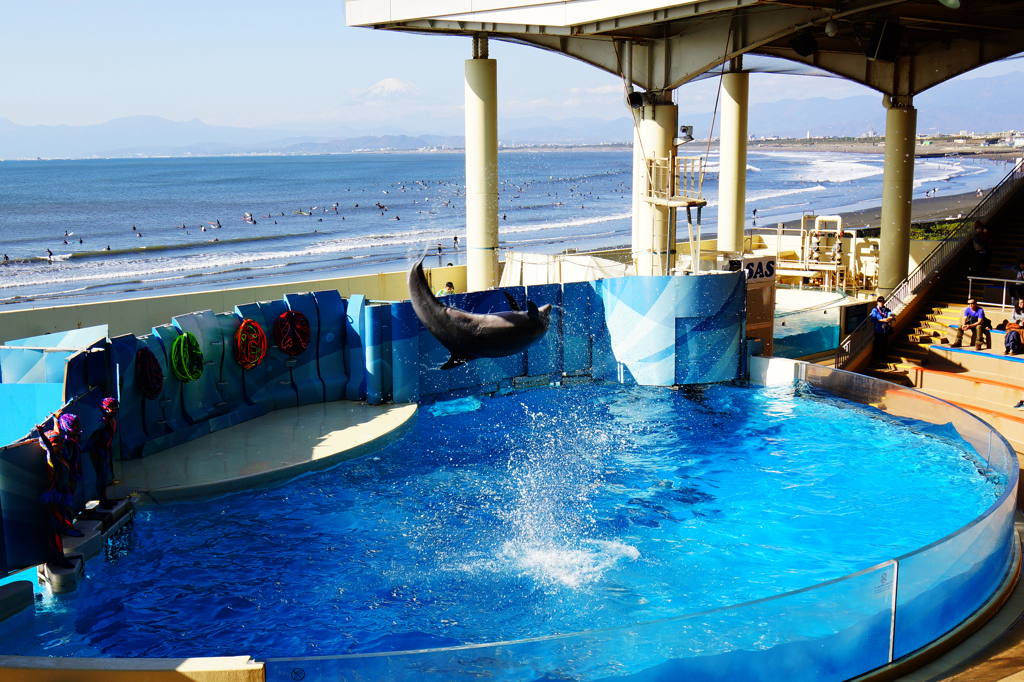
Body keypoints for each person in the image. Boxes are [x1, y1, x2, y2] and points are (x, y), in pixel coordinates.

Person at [35, 425, 74, 569]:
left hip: (61, 494)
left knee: (57, 527)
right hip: (55, 496)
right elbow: (49, 447)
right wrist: (41, 433)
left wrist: (57, 420)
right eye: (56, 442)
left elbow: (58, 436)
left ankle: (56, 557)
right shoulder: (52, 457)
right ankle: (60, 558)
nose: (60, 444)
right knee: (56, 528)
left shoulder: (60, 455)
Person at [87, 398, 119, 509]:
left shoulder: (112, 421)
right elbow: (93, 438)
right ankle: (102, 501)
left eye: (115, 406)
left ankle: (105, 499)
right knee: (100, 476)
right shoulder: (102, 422)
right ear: (105, 409)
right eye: (112, 407)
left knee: (104, 476)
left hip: (105, 450)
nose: (114, 409)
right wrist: (99, 451)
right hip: (97, 452)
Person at [869, 296, 895, 361]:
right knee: (877, 345)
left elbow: (891, 315)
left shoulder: (886, 310)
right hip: (878, 331)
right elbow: (873, 319)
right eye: (880, 302)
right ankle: (876, 359)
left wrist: (890, 318)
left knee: (884, 345)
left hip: (885, 331)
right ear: (877, 302)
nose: (881, 303)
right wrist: (882, 320)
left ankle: (883, 358)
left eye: (882, 301)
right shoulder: (875, 310)